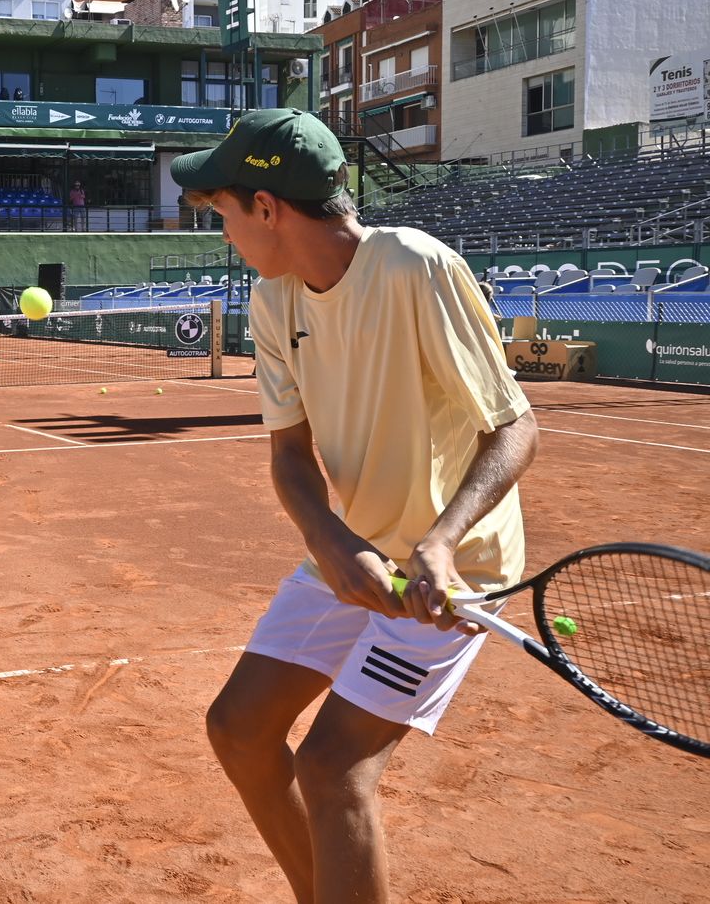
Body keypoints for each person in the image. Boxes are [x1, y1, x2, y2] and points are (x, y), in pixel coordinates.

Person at [170, 108, 539, 904]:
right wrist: (330, 539)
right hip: (357, 543)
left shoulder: (413, 264)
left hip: (458, 562)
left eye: (227, 213)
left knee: (334, 768)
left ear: (266, 206)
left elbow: (513, 427)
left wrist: (440, 544)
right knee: (239, 728)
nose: (226, 234)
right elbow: (290, 457)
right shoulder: (273, 305)